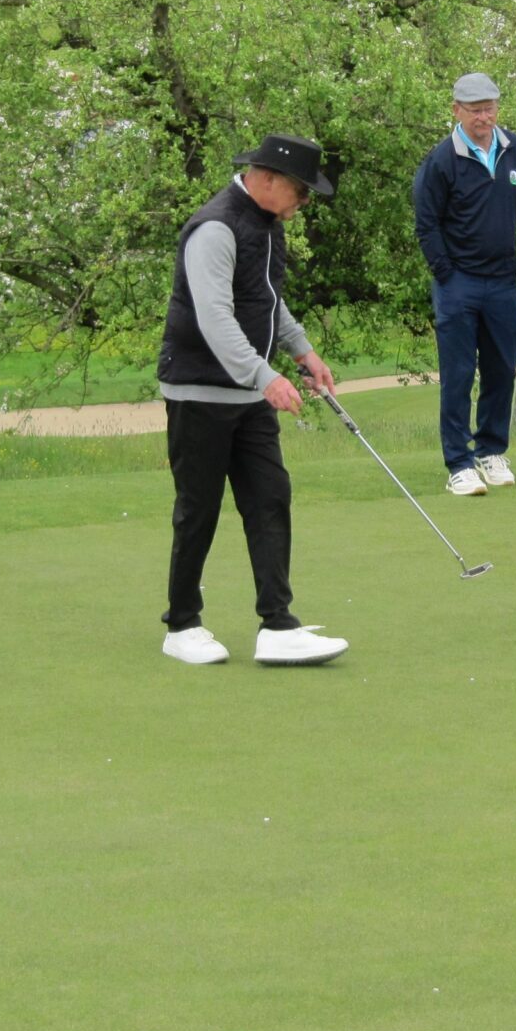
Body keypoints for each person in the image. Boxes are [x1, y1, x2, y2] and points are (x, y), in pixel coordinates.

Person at [155, 133, 349, 667]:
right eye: (300, 190)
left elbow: (266, 299)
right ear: (265, 178)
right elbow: (214, 316)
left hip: (246, 394)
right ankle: (182, 625)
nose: (304, 200)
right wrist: (266, 377)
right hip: (199, 391)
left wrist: (302, 350)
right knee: (198, 509)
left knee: (269, 498)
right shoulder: (215, 228)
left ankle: (278, 625)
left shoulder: (265, 224)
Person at [412, 72, 516, 496]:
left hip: (502, 281)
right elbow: (426, 224)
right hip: (457, 283)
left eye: (489, 109)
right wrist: (446, 274)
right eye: (475, 110)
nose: (483, 117)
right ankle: (459, 464)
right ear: (456, 110)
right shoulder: (441, 160)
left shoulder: (515, 150)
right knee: (458, 374)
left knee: (501, 369)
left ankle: (491, 451)